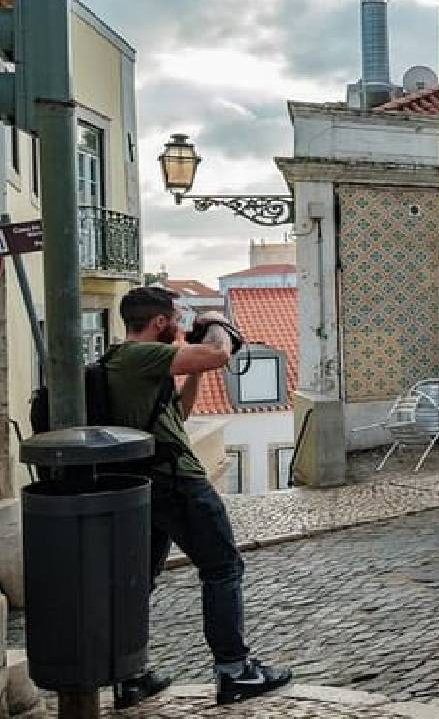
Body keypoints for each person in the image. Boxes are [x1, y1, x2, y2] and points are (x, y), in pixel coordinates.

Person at [108, 287, 291, 709]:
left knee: (141, 581)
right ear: (158, 323)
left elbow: (181, 414)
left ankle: (129, 676)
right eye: (174, 316)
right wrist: (217, 327)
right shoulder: (141, 356)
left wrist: (192, 371)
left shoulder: (126, 362)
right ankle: (235, 671)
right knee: (223, 568)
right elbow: (220, 355)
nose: (179, 323)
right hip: (178, 482)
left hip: (144, 485)